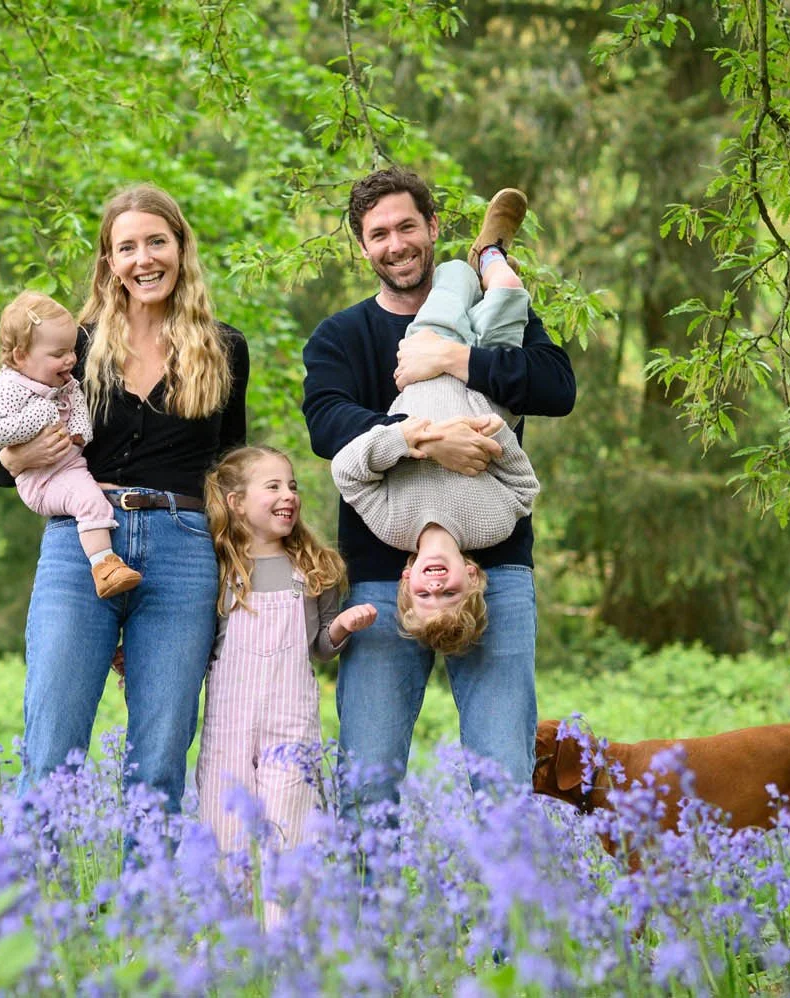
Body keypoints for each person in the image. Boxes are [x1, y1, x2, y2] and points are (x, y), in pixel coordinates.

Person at [302, 168, 576, 822]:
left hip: (495, 569)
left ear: (431, 228)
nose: (395, 243)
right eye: (378, 234)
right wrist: (429, 439)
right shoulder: (341, 336)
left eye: (406, 227)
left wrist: (453, 363)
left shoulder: (490, 324)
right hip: (378, 576)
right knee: (369, 776)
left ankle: (504, 919)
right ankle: (370, 918)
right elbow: (328, 425)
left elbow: (556, 387)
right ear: (362, 248)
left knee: (501, 770)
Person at [0, 184, 250, 815]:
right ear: (108, 261)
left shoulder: (225, 347)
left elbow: (227, 468)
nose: (144, 259)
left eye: (156, 241)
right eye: (126, 246)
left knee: (159, 756)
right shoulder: (71, 344)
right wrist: (13, 458)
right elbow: (3, 453)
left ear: (181, 248)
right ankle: (34, 906)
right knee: (51, 745)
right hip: (80, 548)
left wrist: (248, 564)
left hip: (184, 554)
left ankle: (147, 910)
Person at [329, 205, 540, 655]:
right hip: (489, 385)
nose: (437, 585)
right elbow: (524, 486)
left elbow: (347, 472)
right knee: (507, 291)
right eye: (451, 593)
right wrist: (499, 433)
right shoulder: (490, 529)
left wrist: (410, 439)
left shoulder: (392, 527)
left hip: (424, 364)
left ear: (406, 579)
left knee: (449, 280)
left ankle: (471, 263)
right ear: (474, 575)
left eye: (425, 595)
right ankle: (491, 257)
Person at [196, 446, 377, 855]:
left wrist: (343, 626)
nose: (289, 495)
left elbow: (321, 648)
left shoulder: (315, 567)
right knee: (226, 834)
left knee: (289, 831)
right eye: (273, 486)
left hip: (291, 722)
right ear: (236, 503)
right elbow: (196, 643)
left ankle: (284, 920)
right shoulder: (217, 565)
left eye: (292, 486)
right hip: (229, 723)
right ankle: (231, 918)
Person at [0, 290, 142, 598]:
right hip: (44, 479)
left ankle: (106, 565)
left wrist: (81, 430)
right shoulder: (11, 388)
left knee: (87, 496)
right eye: (59, 354)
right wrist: (38, 416)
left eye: (71, 350)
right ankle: (104, 567)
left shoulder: (62, 379)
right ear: (20, 357)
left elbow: (77, 399)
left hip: (70, 466)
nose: (70, 359)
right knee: (89, 501)